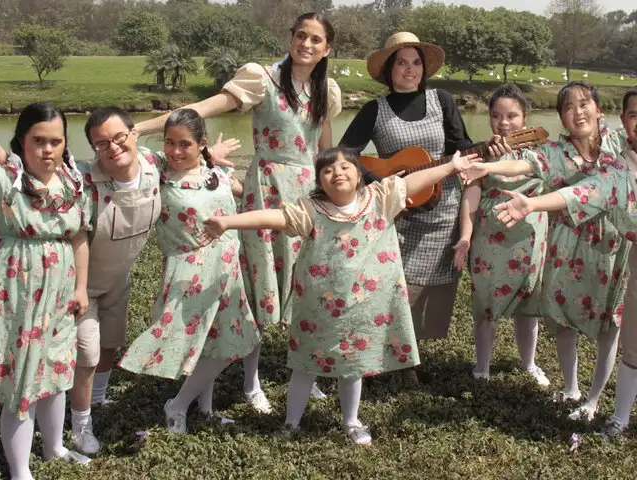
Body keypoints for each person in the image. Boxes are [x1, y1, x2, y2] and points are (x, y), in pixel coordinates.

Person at [202, 146, 480, 445]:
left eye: (345, 166)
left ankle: (351, 421)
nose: (337, 172)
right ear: (319, 181)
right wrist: (228, 222)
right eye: (327, 169)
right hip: (316, 310)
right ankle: (291, 423)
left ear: (359, 174)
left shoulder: (380, 198)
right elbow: (273, 218)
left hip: (361, 310)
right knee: (304, 366)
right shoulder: (310, 209)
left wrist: (451, 167)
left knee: (353, 367)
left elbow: (415, 181)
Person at [135, 12, 342, 409]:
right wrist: (142, 128)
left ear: (327, 48)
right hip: (265, 190)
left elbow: (323, 150)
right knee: (255, 286)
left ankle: (309, 372)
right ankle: (252, 382)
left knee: (311, 284)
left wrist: (330, 195)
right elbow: (204, 109)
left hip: (307, 195)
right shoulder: (261, 78)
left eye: (316, 40)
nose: (307, 44)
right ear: (291, 37)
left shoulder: (326, 90)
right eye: (301, 35)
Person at [65, 107, 239, 452]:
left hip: (125, 277)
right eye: (102, 143)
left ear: (134, 135)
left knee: (111, 342)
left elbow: (184, 148)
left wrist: (208, 155)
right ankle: (78, 424)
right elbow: (52, 165)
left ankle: (99, 400)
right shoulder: (88, 177)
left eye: (120, 138)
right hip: (86, 281)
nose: (113, 148)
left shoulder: (155, 165)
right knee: (86, 350)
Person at [460, 81, 628, 421]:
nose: (578, 112)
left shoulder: (619, 141)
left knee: (610, 323)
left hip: (613, 244)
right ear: (561, 118)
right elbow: (524, 165)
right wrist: (488, 167)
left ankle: (594, 399)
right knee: (563, 317)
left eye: (584, 104)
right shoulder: (556, 151)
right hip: (568, 244)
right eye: (568, 107)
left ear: (598, 109)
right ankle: (571, 389)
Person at [338, 32, 475, 383]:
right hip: (400, 214)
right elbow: (345, 154)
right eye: (401, 62)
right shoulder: (375, 110)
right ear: (389, 69)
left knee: (430, 287)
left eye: (416, 62)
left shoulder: (441, 100)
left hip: (443, 210)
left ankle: (405, 353)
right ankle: (399, 360)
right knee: (400, 288)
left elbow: (462, 145)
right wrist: (381, 179)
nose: (410, 69)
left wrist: (486, 151)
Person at [117, 109, 261, 433]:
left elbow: (248, 198)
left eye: (185, 144)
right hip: (190, 271)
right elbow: (128, 146)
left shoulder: (218, 174)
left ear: (201, 145)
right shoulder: (158, 173)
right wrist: (136, 128)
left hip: (226, 270)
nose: (176, 151)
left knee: (221, 343)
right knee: (219, 345)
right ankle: (178, 404)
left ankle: (204, 409)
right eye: (170, 142)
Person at [0, 102, 92, 480]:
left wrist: (81, 288)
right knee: (23, 377)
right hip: (17, 290)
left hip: (61, 291)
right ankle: (20, 470)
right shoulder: (7, 179)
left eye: (55, 141)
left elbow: (80, 236)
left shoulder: (73, 181)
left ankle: (54, 448)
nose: (47, 150)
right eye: (38, 140)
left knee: (56, 370)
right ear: (22, 140)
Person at [453, 84, 550, 385]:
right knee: (485, 304)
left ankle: (529, 363)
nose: (504, 123)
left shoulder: (542, 153)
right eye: (496, 116)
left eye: (512, 115)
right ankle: (482, 367)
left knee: (528, 304)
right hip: (490, 240)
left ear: (525, 117)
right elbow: (470, 198)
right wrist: (465, 238)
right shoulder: (479, 153)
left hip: (531, 238)